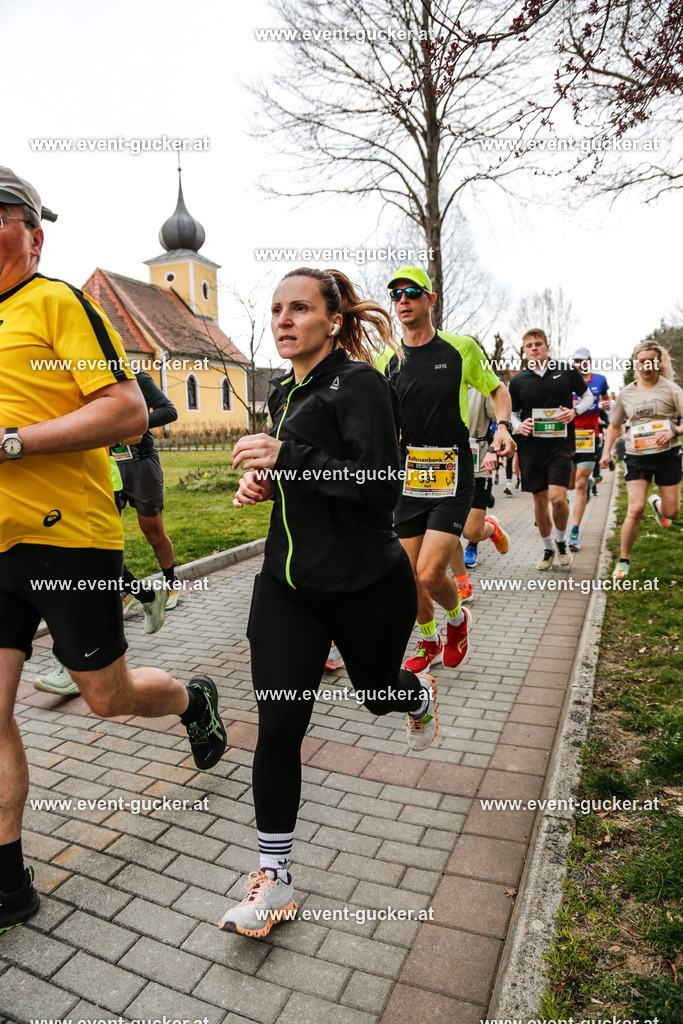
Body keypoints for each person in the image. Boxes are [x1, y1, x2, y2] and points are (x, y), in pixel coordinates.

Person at [0, 167, 227, 933]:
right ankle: (8, 881)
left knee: (105, 697)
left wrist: (11, 443)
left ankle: (193, 699)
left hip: (67, 539)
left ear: (34, 233)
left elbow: (130, 410)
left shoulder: (57, 302)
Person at [218, 268, 437, 938]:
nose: (283, 320)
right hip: (288, 589)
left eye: (300, 309)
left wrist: (289, 457)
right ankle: (274, 878)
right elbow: (303, 473)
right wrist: (266, 481)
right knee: (278, 727)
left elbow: (377, 487)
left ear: (333, 320)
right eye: (277, 309)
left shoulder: (360, 384)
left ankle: (413, 692)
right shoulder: (285, 389)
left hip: (367, 589)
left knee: (376, 695)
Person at [377, 267, 514, 674]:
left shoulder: (460, 349)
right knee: (408, 579)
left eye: (412, 293)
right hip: (409, 479)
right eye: (396, 294)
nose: (403, 300)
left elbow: (498, 390)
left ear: (429, 299)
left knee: (430, 572)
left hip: (454, 475)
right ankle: (429, 639)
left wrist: (503, 425)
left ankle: (458, 622)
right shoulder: (386, 359)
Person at [509, 329, 593, 570]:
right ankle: (547, 549)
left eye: (538, 344)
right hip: (531, 449)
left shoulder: (566, 371)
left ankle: (561, 542)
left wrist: (575, 411)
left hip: (560, 446)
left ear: (547, 346)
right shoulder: (517, 381)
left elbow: (587, 397)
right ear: (524, 351)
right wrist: (519, 425)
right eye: (529, 346)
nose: (534, 348)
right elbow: (513, 415)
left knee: (557, 498)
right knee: (539, 502)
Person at [601, 342, 683, 580]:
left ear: (659, 363)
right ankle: (623, 561)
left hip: (668, 455)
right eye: (641, 361)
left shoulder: (671, 390)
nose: (646, 366)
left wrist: (673, 432)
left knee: (673, 513)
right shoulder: (627, 393)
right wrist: (606, 453)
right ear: (636, 364)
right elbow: (615, 425)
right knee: (634, 509)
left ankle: (657, 504)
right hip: (637, 456)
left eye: (651, 361)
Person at [115, 368, 181, 611]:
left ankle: (171, 582)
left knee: (153, 532)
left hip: (141, 463)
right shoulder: (88, 381)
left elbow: (169, 411)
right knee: (106, 536)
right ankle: (130, 590)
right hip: (109, 466)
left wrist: (131, 425)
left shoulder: (136, 378)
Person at [454, 386, 510, 599]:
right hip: (444, 464)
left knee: (472, 532)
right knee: (444, 528)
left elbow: (500, 420)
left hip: (478, 461)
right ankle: (463, 585)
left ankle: (492, 528)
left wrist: (494, 449)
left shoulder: (480, 385)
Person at [568, 347, 609, 551]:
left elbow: (605, 399)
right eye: (575, 361)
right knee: (569, 485)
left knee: (581, 483)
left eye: (582, 361)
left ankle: (574, 532)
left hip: (589, 437)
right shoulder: (566, 380)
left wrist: (607, 405)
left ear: (589, 362)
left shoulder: (600, 380)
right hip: (567, 438)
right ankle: (591, 480)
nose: (579, 364)